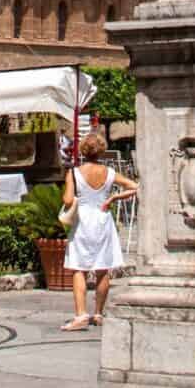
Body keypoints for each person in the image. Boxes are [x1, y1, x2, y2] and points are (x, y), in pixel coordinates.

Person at [60, 133, 139, 331]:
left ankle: (80, 315)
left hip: (83, 221)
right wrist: (113, 199)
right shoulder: (110, 172)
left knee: (79, 268)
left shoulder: (75, 173)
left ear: (83, 150)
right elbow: (135, 186)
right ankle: (98, 313)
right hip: (103, 218)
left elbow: (68, 200)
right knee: (103, 269)